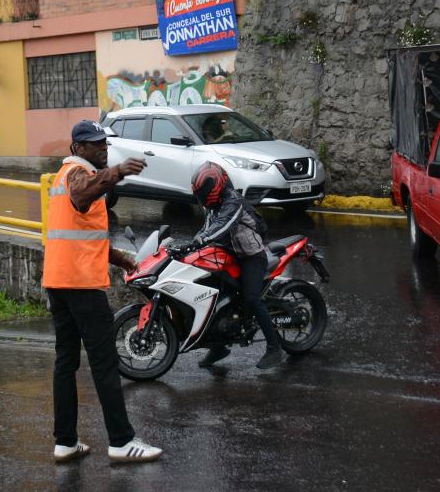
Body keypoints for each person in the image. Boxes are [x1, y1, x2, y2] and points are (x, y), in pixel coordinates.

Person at [43, 120, 164, 464]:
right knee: (104, 362)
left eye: (104, 143)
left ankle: (65, 442)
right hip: (81, 285)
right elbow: (82, 197)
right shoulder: (77, 173)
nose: (103, 148)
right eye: (95, 144)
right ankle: (122, 441)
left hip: (59, 281)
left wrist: (120, 259)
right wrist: (118, 171)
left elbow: (77, 231)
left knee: (66, 361)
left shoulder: (64, 177)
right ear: (77, 149)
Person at [188, 162, 287, 370]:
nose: (203, 197)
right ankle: (218, 347)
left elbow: (222, 226)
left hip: (251, 257)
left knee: (251, 299)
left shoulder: (234, 202)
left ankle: (274, 347)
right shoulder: (214, 208)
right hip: (229, 257)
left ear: (216, 187)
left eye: (205, 192)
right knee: (214, 297)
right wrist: (188, 246)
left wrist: (202, 239)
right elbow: (207, 228)